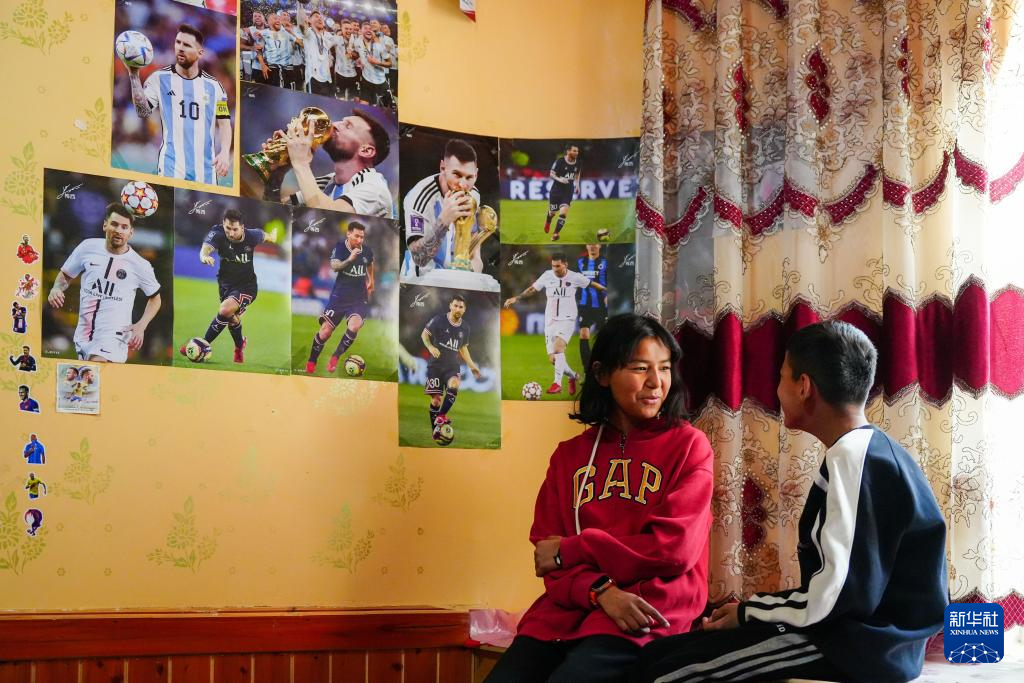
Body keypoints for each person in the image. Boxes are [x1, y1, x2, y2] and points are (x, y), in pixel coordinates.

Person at [633, 321, 949, 683]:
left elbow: (835, 598)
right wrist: (750, 612)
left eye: (782, 377)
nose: (777, 390)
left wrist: (749, 613)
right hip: (852, 633)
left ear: (804, 387)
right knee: (656, 655)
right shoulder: (863, 451)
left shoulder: (854, 459)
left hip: (861, 646)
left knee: (665, 674)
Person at [485, 313, 713, 683]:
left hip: (646, 611)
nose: (656, 382)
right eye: (640, 368)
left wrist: (575, 548)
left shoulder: (690, 446)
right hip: (566, 612)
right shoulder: (569, 456)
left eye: (664, 368)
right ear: (602, 374)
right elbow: (548, 557)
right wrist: (599, 591)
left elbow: (673, 549)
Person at [47, 202, 162, 363]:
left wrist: (141, 325)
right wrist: (56, 288)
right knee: (86, 377)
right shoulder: (87, 247)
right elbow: (66, 275)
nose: (118, 230)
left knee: (95, 369)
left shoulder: (140, 265)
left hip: (113, 336)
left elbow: (155, 298)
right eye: (114, 224)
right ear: (105, 225)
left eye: (124, 227)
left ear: (131, 232)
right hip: (84, 333)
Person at [127, 24, 233, 184]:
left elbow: (225, 124)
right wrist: (134, 75)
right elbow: (142, 112)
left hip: (206, 172)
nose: (181, 48)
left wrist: (224, 153)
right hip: (171, 167)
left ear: (200, 53)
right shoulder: (159, 78)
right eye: (178, 43)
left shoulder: (215, 87)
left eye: (187, 45)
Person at [179, 208, 279, 364]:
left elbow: (268, 237)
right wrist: (204, 256)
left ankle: (201, 345)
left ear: (242, 228)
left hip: (247, 286)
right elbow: (205, 249)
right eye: (228, 228)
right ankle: (239, 346)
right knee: (232, 319)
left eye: (235, 229)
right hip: (225, 285)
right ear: (223, 225)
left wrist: (273, 236)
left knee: (225, 310)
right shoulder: (217, 233)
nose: (231, 233)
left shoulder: (252, 236)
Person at [504, 253, 605, 396]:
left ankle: (557, 384)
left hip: (567, 319)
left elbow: (593, 284)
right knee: (554, 359)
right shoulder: (547, 275)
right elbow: (533, 289)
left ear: (565, 264)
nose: (555, 269)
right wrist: (517, 297)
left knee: (558, 349)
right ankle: (573, 376)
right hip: (550, 320)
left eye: (558, 266)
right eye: (553, 266)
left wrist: (606, 291)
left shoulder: (575, 277)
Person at [264, 109, 394, 218]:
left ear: (366, 151)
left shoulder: (375, 188)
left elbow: (330, 216)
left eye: (348, 126)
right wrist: (276, 175)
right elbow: (279, 216)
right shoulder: (325, 183)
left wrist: (301, 164)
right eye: (340, 121)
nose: (334, 124)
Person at [401, 138, 486, 278]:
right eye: (457, 175)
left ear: (476, 174)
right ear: (443, 168)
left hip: (453, 278)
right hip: (420, 280)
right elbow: (419, 258)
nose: (463, 185)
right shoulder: (419, 198)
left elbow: (473, 243)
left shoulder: (473, 194)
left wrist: (475, 266)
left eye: (469, 177)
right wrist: (444, 220)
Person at [305, 221, 374, 375]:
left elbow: (370, 263)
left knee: (354, 326)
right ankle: (312, 360)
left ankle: (335, 357)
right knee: (325, 332)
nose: (360, 240)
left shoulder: (367, 251)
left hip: (359, 298)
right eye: (356, 236)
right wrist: (350, 259)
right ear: (348, 234)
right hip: (339, 297)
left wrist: (371, 280)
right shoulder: (340, 248)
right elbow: (335, 267)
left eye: (362, 237)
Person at [421, 294, 482, 442]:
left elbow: (463, 348)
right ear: (450, 306)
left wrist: (472, 366)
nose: (458, 309)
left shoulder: (465, 327)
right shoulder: (439, 320)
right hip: (435, 365)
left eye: (461, 307)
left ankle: (441, 416)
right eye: (455, 305)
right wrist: (430, 347)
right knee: (436, 400)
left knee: (454, 384)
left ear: (464, 309)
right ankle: (435, 430)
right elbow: (424, 335)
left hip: (452, 366)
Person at [577, 244, 608, 372]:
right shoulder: (580, 262)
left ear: (599, 246)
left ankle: (603, 365)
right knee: (584, 334)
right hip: (585, 306)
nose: (592, 247)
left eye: (595, 244)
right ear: (586, 246)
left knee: (603, 337)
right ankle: (587, 368)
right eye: (590, 244)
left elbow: (611, 281)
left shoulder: (605, 263)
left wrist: (608, 296)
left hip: (602, 306)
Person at [297, 5, 338, 97]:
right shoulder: (308, 34)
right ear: (309, 21)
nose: (320, 18)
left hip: (327, 79)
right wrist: (300, 4)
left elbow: (337, 40)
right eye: (316, 17)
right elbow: (301, 23)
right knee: (315, 106)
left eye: (321, 17)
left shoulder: (325, 38)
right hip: (314, 79)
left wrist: (336, 28)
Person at [545, 144, 581, 241]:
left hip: (568, 191)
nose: (576, 153)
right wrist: (560, 180)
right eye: (574, 151)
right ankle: (548, 220)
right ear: (568, 151)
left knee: (563, 213)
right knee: (552, 213)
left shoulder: (578, 163)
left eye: (577, 151)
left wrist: (577, 185)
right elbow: (551, 174)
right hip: (556, 191)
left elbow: (577, 173)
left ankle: (555, 233)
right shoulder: (560, 161)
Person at [354, 20, 391, 108]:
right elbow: (356, 53)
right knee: (363, 109)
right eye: (365, 28)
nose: (368, 30)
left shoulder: (379, 45)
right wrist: (357, 59)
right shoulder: (357, 42)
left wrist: (377, 62)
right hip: (366, 80)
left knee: (385, 110)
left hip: (380, 81)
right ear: (361, 31)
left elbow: (390, 63)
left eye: (370, 29)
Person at [332, 20, 360, 100]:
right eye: (346, 29)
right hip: (340, 74)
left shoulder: (356, 40)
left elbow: (357, 56)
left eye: (350, 29)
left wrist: (352, 53)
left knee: (353, 99)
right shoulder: (337, 39)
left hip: (353, 74)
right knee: (340, 99)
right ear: (341, 29)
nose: (348, 31)